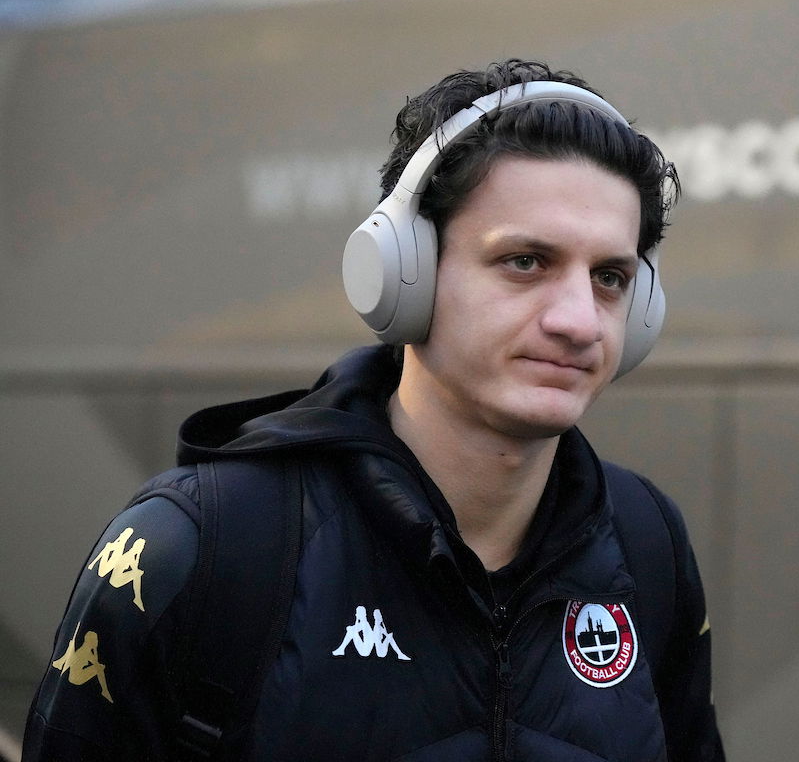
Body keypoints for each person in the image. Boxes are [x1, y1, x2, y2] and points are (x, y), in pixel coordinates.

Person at [24, 58, 724, 761]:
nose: (579, 321)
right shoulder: (204, 543)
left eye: (610, 277)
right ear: (401, 271)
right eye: (526, 262)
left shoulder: (646, 546)